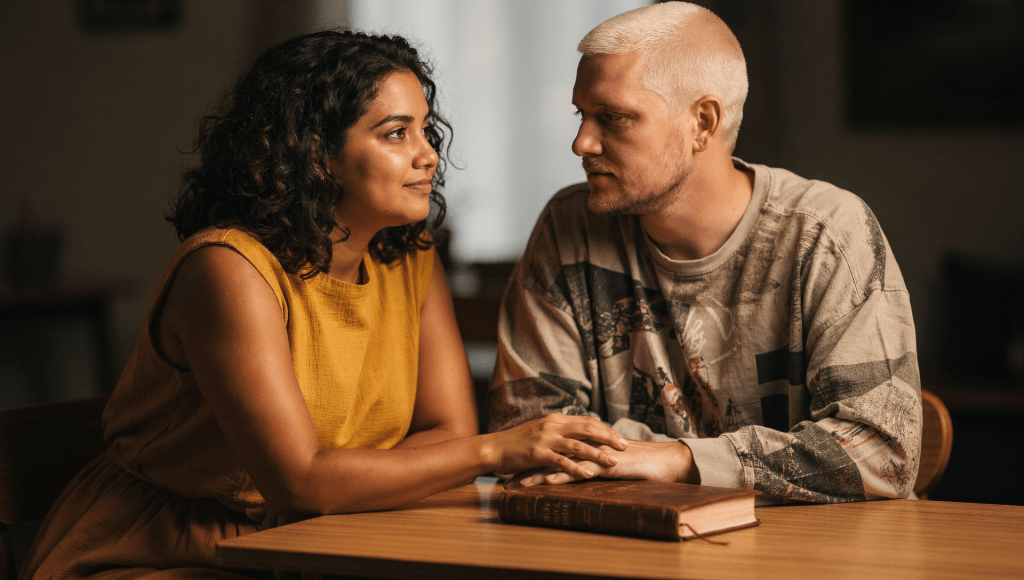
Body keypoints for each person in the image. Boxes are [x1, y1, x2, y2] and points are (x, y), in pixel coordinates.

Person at [22, 30, 628, 579]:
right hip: (159, 552)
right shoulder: (228, 270)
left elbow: (446, 432)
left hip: (328, 534)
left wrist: (357, 480)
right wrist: (499, 449)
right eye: (396, 133)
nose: (427, 155)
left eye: (425, 129)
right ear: (314, 152)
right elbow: (303, 482)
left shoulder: (409, 254)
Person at [488, 2, 922, 505]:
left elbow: (883, 455)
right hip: (637, 548)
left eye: (612, 118)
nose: (581, 142)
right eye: (581, 115)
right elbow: (529, 441)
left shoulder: (826, 234)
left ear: (703, 121)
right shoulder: (568, 228)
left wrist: (677, 459)